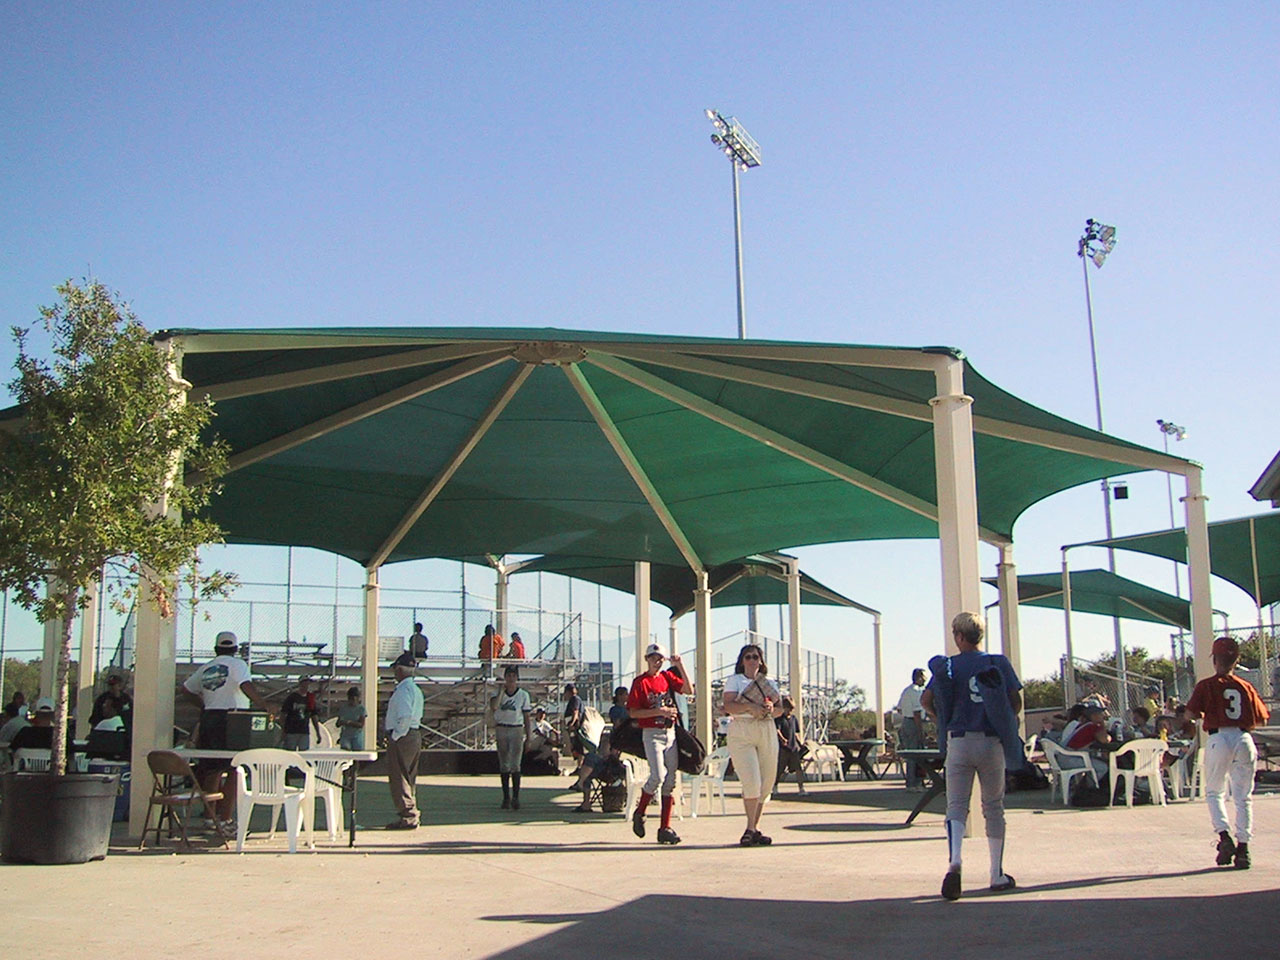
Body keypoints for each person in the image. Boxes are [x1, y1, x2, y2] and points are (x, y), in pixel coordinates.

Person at [921, 611, 1022, 901]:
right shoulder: (997, 662)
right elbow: (1015, 700)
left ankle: (955, 860)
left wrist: (943, 718)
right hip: (990, 741)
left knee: (956, 805)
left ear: (959, 636)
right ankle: (996, 873)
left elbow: (927, 700)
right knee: (993, 806)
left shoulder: (950, 666)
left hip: (959, 740)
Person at [1185, 636, 1271, 870]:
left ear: (1215, 660)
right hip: (1243, 738)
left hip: (1218, 738)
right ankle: (1243, 848)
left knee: (1214, 792)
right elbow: (1262, 719)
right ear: (1237, 660)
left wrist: (1203, 714)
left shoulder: (1206, 685)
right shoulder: (1245, 686)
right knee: (1243, 797)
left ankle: (1224, 836)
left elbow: (1189, 715)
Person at [181, 631, 272, 824]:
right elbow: (246, 685)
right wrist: (264, 705)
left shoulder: (207, 667)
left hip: (209, 717)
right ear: (235, 649)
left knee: (211, 769)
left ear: (216, 648)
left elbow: (186, 689)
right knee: (234, 769)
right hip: (233, 719)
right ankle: (225, 818)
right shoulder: (239, 665)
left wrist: (203, 704)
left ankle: (209, 815)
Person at [627, 642, 692, 845]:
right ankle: (641, 811)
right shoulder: (640, 682)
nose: (657, 662)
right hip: (652, 733)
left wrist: (680, 665)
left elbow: (688, 690)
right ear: (647, 659)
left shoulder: (666, 678)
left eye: (660, 659)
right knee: (658, 775)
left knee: (670, 780)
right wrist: (659, 712)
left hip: (669, 732)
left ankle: (665, 827)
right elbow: (634, 712)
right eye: (653, 658)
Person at [723, 643, 783, 844]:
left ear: (761, 661)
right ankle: (749, 828)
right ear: (742, 661)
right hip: (742, 728)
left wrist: (769, 708)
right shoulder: (735, 681)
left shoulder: (769, 683)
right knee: (751, 781)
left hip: (765, 727)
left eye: (755, 657)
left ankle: (755, 828)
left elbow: (780, 710)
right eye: (748, 657)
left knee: (766, 781)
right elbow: (729, 706)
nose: (752, 660)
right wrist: (749, 707)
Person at [385, 652, 424, 830]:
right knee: (409, 776)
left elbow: (405, 716)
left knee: (399, 776)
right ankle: (410, 811)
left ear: (400, 670)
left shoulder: (403, 690)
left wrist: (395, 735)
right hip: (414, 734)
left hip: (403, 736)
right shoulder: (415, 689)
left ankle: (408, 814)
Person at [492, 665, 533, 810]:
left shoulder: (523, 695)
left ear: (517, 678)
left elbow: (527, 717)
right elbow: (494, 707)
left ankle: (515, 797)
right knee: (504, 764)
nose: (510, 679)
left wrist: (529, 737)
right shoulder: (499, 693)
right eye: (508, 676)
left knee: (515, 764)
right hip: (502, 728)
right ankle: (505, 797)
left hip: (516, 729)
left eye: (513, 676)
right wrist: (501, 692)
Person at [896, 668, 927, 791]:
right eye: (924, 677)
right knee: (916, 755)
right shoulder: (916, 692)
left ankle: (912, 782)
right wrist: (920, 731)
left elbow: (899, 709)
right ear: (919, 677)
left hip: (906, 722)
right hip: (914, 723)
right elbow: (917, 713)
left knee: (911, 754)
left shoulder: (906, 691)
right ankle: (913, 783)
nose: (925, 680)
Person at [774, 696, 806, 798]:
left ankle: (801, 788)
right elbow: (777, 730)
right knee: (780, 769)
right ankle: (774, 786)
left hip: (793, 748)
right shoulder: (779, 719)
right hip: (783, 749)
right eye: (789, 708)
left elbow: (796, 732)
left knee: (798, 768)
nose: (790, 711)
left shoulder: (793, 719)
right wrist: (782, 739)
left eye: (792, 708)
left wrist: (800, 743)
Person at [280, 676, 322, 750]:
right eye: (305, 682)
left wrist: (318, 732)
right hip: (291, 731)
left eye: (308, 683)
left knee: (304, 752)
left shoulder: (310, 698)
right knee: (290, 752)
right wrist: (283, 730)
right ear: (301, 684)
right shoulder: (292, 697)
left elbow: (314, 716)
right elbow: (283, 714)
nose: (307, 685)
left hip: (304, 731)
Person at [337, 686, 367, 751]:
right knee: (346, 751)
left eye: (354, 699)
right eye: (350, 699)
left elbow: (361, 724)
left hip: (357, 735)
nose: (352, 701)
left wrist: (349, 722)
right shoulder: (343, 708)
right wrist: (341, 722)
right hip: (345, 735)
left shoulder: (361, 709)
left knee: (357, 754)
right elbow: (337, 723)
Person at [562, 683, 586, 765]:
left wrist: (571, 724)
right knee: (575, 746)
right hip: (574, 726)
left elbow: (575, 712)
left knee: (577, 746)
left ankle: (580, 765)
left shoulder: (574, 699)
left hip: (575, 726)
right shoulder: (576, 699)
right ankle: (579, 765)